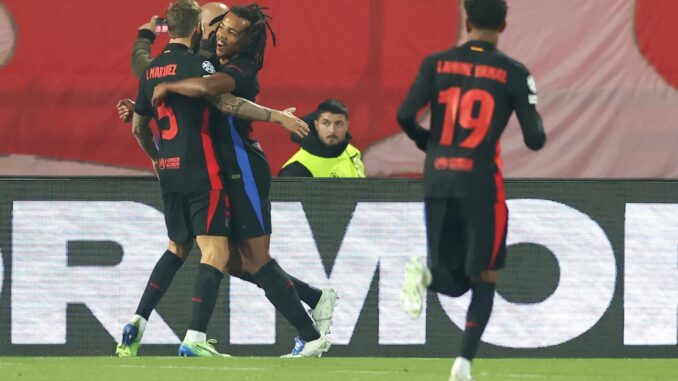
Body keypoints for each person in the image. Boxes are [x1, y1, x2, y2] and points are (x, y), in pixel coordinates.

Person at [116, 0, 310, 358]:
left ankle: (137, 320)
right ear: (196, 28)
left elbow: (140, 125)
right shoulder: (201, 66)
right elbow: (225, 102)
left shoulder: (150, 71)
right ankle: (194, 337)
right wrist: (276, 117)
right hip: (203, 170)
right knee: (218, 252)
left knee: (177, 248)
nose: (218, 32)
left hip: (170, 171)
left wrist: (157, 159)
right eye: (215, 25)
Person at [397, 0, 546, 380]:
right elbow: (535, 139)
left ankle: (427, 276)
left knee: (453, 279)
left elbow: (404, 116)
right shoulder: (512, 72)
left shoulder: (436, 63)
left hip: (438, 178)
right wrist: (528, 101)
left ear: (466, 21)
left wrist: (430, 144)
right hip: (481, 183)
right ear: (505, 24)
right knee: (484, 277)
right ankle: (462, 364)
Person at [279, 99, 366, 178]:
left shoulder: (353, 154)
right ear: (316, 125)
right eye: (326, 123)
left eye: (338, 123)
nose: (332, 130)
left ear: (347, 125)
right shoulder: (296, 170)